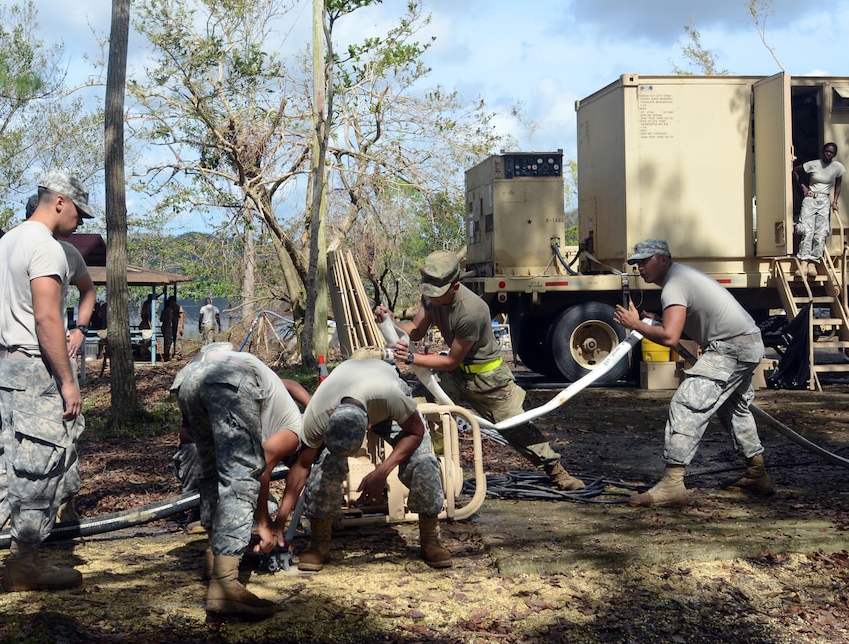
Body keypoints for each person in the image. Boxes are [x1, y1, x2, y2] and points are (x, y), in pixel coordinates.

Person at [0, 172, 94, 592]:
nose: (80, 222)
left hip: (0, 370)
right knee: (38, 465)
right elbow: (47, 318)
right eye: (79, 212)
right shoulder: (45, 246)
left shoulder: (6, 242)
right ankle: (24, 563)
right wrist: (67, 380)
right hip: (32, 371)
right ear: (60, 202)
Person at [374, 250, 585, 492]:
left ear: (455, 286)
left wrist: (413, 358)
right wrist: (390, 322)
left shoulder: (472, 310)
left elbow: (452, 359)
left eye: (439, 293)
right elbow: (415, 330)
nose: (434, 299)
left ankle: (556, 471)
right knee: (416, 409)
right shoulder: (431, 297)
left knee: (514, 427)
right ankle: (434, 472)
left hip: (488, 379)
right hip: (454, 376)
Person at [612, 239, 773, 508]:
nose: (640, 267)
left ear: (664, 259)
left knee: (687, 403)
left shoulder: (674, 284)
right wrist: (654, 320)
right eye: (636, 263)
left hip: (731, 348)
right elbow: (678, 327)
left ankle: (672, 485)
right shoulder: (681, 277)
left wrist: (636, 324)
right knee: (734, 409)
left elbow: (669, 337)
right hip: (744, 343)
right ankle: (757, 473)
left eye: (645, 261)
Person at [172, 344, 314, 617]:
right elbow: (258, 472)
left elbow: (285, 383)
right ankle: (225, 587)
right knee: (240, 475)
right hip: (226, 382)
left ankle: (215, 563)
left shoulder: (273, 400)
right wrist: (264, 525)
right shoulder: (295, 432)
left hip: (189, 378)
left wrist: (277, 523)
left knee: (213, 474)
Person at [297, 358, 452, 571]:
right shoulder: (317, 414)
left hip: (385, 399)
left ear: (367, 426)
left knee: (424, 462)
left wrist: (381, 472)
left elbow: (415, 432)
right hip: (348, 395)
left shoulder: (390, 395)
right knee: (324, 466)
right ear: (330, 417)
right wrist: (277, 523)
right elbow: (302, 466)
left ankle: (431, 539)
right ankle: (318, 542)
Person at [792, 142, 845, 276]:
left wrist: (835, 201)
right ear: (823, 152)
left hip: (824, 200)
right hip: (811, 199)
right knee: (807, 230)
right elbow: (795, 171)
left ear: (834, 154)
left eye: (831, 152)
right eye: (826, 151)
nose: (828, 154)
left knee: (820, 233)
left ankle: (813, 264)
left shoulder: (837, 167)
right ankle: (803, 263)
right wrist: (803, 187)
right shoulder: (813, 164)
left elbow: (838, 184)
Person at [160, 295, 180, 362]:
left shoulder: (163, 310)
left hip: (163, 326)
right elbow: (169, 319)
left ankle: (166, 355)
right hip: (168, 326)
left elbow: (161, 319)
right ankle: (168, 356)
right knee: (169, 341)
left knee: (166, 341)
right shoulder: (170, 311)